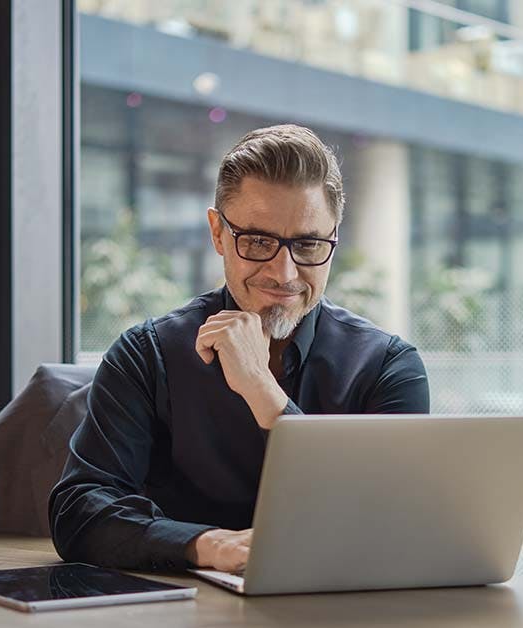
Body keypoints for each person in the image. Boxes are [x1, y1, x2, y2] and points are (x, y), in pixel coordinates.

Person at [49, 124, 430, 574]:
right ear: (218, 233)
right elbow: (79, 511)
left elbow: (389, 524)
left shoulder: (389, 368)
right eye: (258, 242)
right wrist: (207, 546)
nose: (284, 273)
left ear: (334, 239)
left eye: (308, 244)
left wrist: (263, 391)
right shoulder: (147, 355)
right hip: (182, 603)